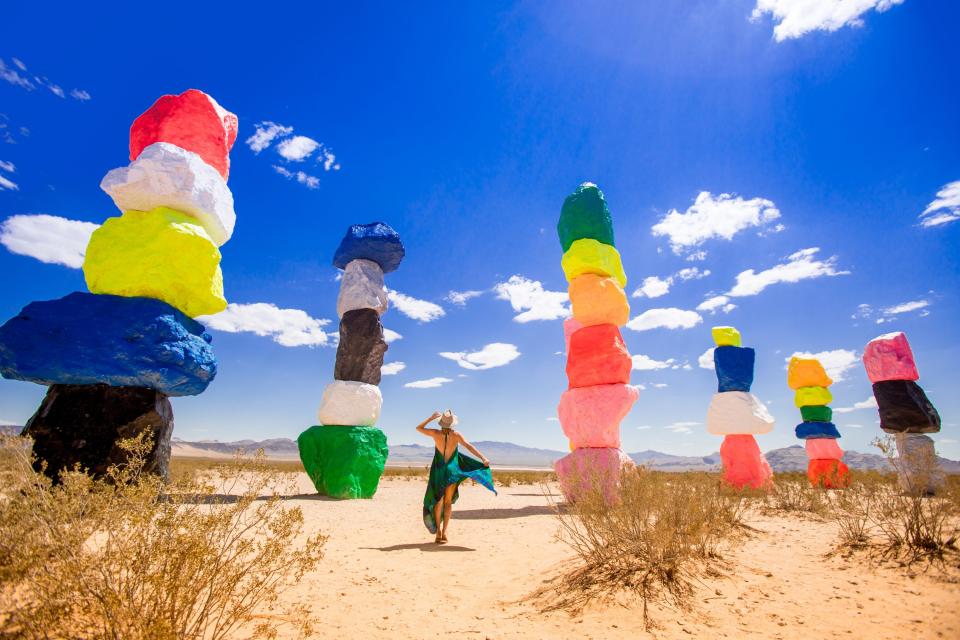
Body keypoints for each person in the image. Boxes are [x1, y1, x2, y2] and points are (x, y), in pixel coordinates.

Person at [416, 410, 496, 544]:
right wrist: (483, 458)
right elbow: (469, 447)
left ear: (441, 423)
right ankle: (445, 532)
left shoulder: (435, 433)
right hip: (452, 471)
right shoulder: (456, 435)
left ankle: (438, 533)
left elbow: (418, 428)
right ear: (452, 424)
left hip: (439, 471)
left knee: (438, 501)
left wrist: (430, 418)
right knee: (447, 502)